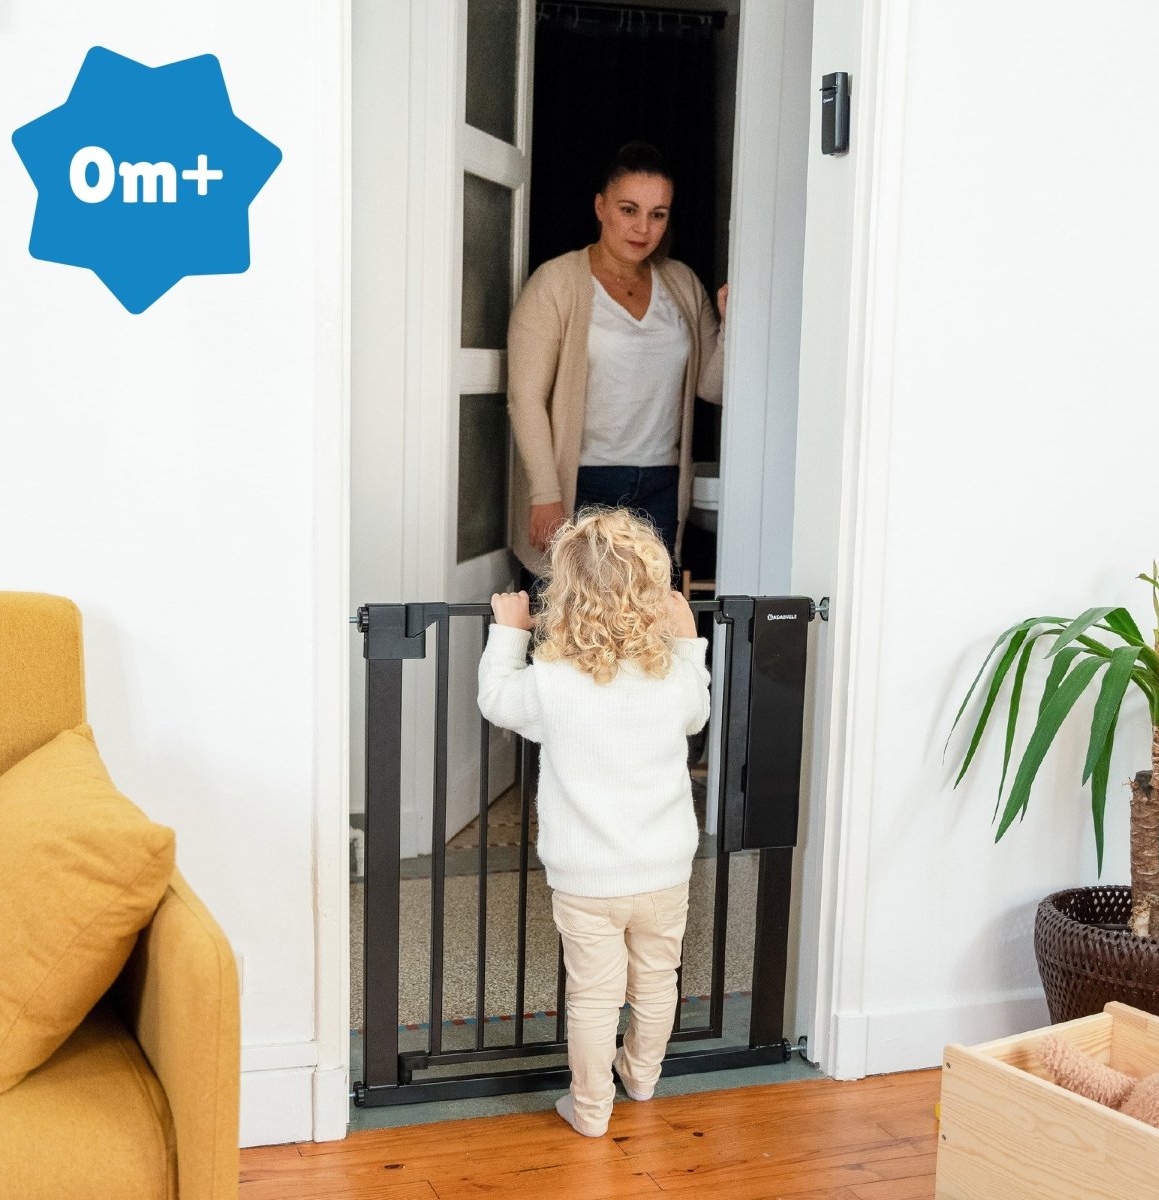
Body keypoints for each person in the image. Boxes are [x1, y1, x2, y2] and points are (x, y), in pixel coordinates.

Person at [477, 508, 711, 1138]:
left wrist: (508, 633)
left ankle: (590, 1109)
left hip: (586, 880)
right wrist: (687, 640)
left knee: (593, 998)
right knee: (656, 983)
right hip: (663, 871)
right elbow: (697, 712)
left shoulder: (554, 681)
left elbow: (497, 700)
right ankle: (642, 1077)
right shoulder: (671, 677)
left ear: (566, 593)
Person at [507, 140, 726, 582]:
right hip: (581, 483)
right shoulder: (556, 282)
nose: (643, 227)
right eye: (629, 210)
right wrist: (545, 492)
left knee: (645, 619)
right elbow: (525, 397)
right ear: (601, 206)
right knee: (569, 617)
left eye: (658, 214)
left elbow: (713, 387)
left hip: (661, 485)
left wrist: (731, 326)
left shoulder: (682, 283)